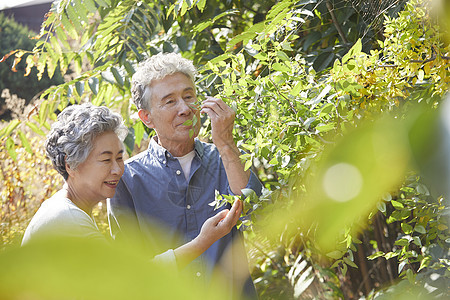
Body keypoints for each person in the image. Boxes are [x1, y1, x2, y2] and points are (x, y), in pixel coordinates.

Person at [108, 53, 263, 298]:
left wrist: (225, 144)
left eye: (189, 96)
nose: (185, 109)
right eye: (170, 102)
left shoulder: (227, 159)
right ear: (146, 117)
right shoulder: (127, 180)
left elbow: (262, 217)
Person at [22, 103, 243, 268]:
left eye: (119, 158)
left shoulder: (66, 210)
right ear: (71, 164)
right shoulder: (69, 220)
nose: (118, 169)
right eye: (106, 159)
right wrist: (204, 241)